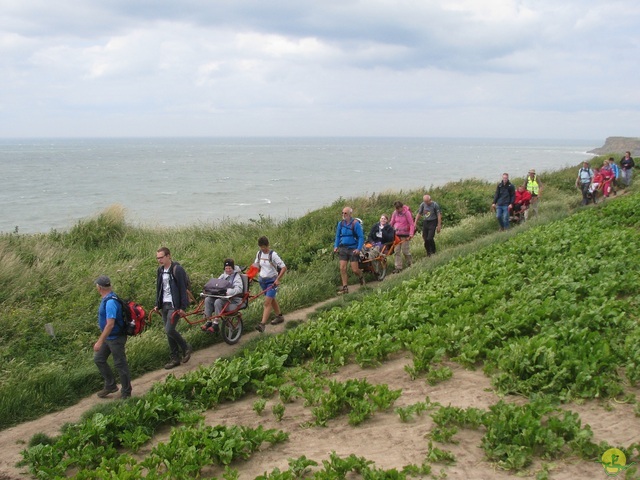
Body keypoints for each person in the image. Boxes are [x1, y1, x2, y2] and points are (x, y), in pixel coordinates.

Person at [153, 247, 192, 369]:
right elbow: (159, 288)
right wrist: (157, 304)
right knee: (168, 332)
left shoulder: (177, 269)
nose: (159, 260)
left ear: (168, 256)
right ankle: (175, 358)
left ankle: (186, 347)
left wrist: (182, 307)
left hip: (174, 305)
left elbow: (182, 288)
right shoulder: (160, 270)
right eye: (158, 258)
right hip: (164, 304)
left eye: (161, 257)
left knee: (170, 330)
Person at [93, 275, 132, 399]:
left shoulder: (110, 302)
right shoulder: (109, 298)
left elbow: (110, 324)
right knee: (99, 359)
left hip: (115, 338)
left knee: (120, 364)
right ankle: (111, 385)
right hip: (109, 338)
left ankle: (126, 392)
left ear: (99, 287)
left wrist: (99, 341)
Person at [254, 237, 287, 333]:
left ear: (268, 245)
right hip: (262, 281)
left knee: (267, 302)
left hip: (272, 282)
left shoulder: (273, 255)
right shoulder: (259, 253)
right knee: (271, 300)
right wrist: (250, 276)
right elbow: (256, 265)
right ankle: (279, 316)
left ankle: (262, 324)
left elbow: (284, 268)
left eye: (264, 247)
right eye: (261, 247)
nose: (263, 249)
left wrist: (277, 279)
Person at [202, 258, 244, 333]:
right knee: (207, 299)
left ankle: (216, 324)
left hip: (233, 300)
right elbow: (216, 285)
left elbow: (239, 289)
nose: (228, 270)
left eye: (229, 268)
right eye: (226, 268)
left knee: (218, 302)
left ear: (233, 268)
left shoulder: (236, 277)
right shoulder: (223, 276)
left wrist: (228, 292)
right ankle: (208, 321)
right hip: (223, 298)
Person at [333, 206, 365, 295]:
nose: (343, 215)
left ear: (350, 214)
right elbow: (338, 236)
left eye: (345, 213)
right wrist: (336, 246)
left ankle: (361, 276)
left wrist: (358, 249)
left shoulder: (355, 224)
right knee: (342, 268)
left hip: (353, 248)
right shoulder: (341, 224)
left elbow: (361, 237)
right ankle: (345, 288)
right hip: (343, 248)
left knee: (355, 270)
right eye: (342, 213)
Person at [389, 201, 414, 273]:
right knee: (397, 251)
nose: (397, 210)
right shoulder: (395, 213)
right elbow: (392, 222)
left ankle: (410, 263)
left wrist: (411, 234)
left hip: (405, 235)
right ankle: (398, 267)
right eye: (396, 209)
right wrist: (388, 230)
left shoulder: (407, 213)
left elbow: (411, 224)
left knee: (405, 250)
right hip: (396, 235)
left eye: (398, 209)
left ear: (401, 207)